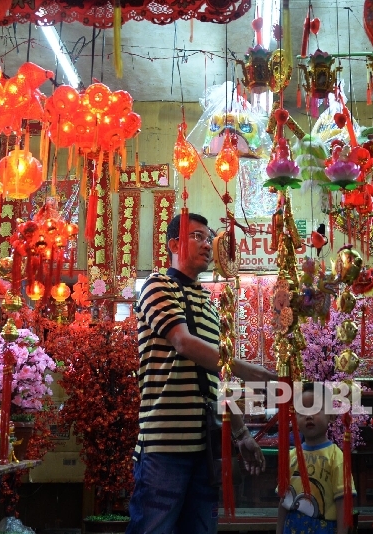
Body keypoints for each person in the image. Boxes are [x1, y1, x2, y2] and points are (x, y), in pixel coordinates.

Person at [127, 213, 277, 534]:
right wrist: (246, 368)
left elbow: (217, 381)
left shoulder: (209, 306)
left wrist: (241, 434)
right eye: (197, 236)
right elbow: (182, 342)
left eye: (208, 238)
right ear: (174, 244)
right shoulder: (157, 285)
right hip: (165, 445)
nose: (207, 244)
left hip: (206, 447)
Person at [277, 383, 356, 534]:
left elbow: (343, 504)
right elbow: (283, 500)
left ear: (331, 416)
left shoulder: (335, 457)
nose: (308, 416)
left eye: (316, 409)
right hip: (291, 527)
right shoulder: (290, 457)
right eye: (302, 411)